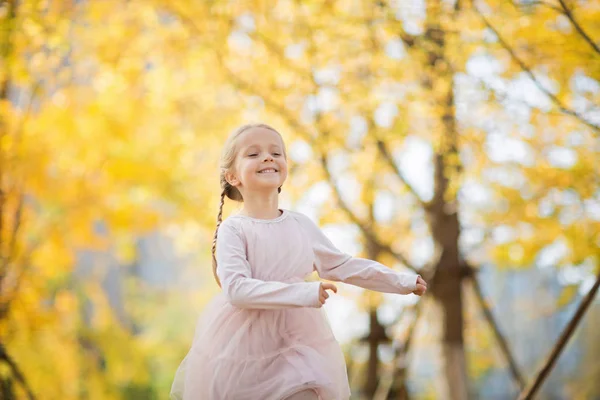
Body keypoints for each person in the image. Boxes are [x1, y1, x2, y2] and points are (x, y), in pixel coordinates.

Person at [170, 123, 427, 400]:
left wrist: (402, 282)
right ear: (232, 176)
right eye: (253, 154)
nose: (268, 157)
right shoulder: (233, 230)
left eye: (276, 152)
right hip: (244, 349)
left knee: (305, 388)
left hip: (296, 340)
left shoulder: (300, 225)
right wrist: (304, 292)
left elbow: (343, 265)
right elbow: (236, 290)